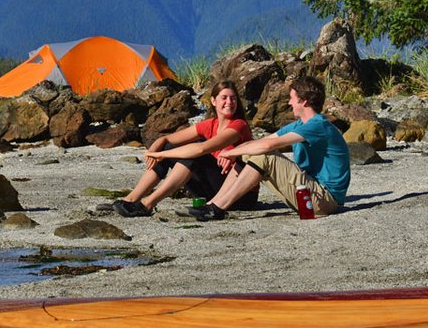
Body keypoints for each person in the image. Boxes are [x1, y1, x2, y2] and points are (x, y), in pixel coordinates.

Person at [189, 74, 349, 222]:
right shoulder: (300, 125)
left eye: (292, 98)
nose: (289, 103)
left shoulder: (318, 125)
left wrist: (230, 152)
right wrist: (237, 153)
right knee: (249, 153)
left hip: (324, 199)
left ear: (304, 101)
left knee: (265, 155)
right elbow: (261, 141)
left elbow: (268, 146)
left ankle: (217, 208)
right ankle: (214, 204)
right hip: (307, 194)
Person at [112, 80, 257, 217]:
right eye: (224, 98)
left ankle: (147, 204)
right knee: (169, 147)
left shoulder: (239, 125)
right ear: (213, 101)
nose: (229, 102)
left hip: (239, 195)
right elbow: (168, 139)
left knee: (194, 155)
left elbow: (201, 149)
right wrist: (156, 147)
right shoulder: (210, 124)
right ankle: (131, 199)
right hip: (216, 187)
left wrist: (163, 154)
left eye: (233, 99)